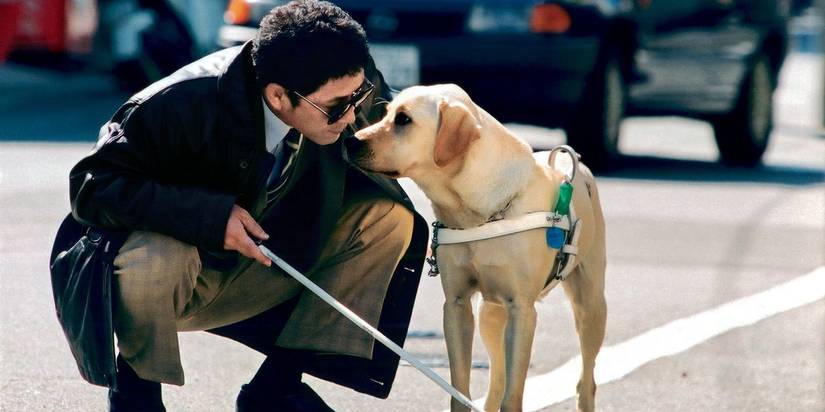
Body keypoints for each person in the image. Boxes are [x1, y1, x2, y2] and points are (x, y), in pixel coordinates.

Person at [52, 1, 427, 410]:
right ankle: (136, 391)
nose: (353, 114)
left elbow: (414, 130)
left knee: (388, 219)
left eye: (360, 94)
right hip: (176, 280)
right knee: (155, 256)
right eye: (336, 107)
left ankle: (276, 390)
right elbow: (92, 187)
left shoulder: (342, 80)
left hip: (267, 268)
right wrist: (210, 217)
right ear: (279, 96)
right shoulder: (180, 102)